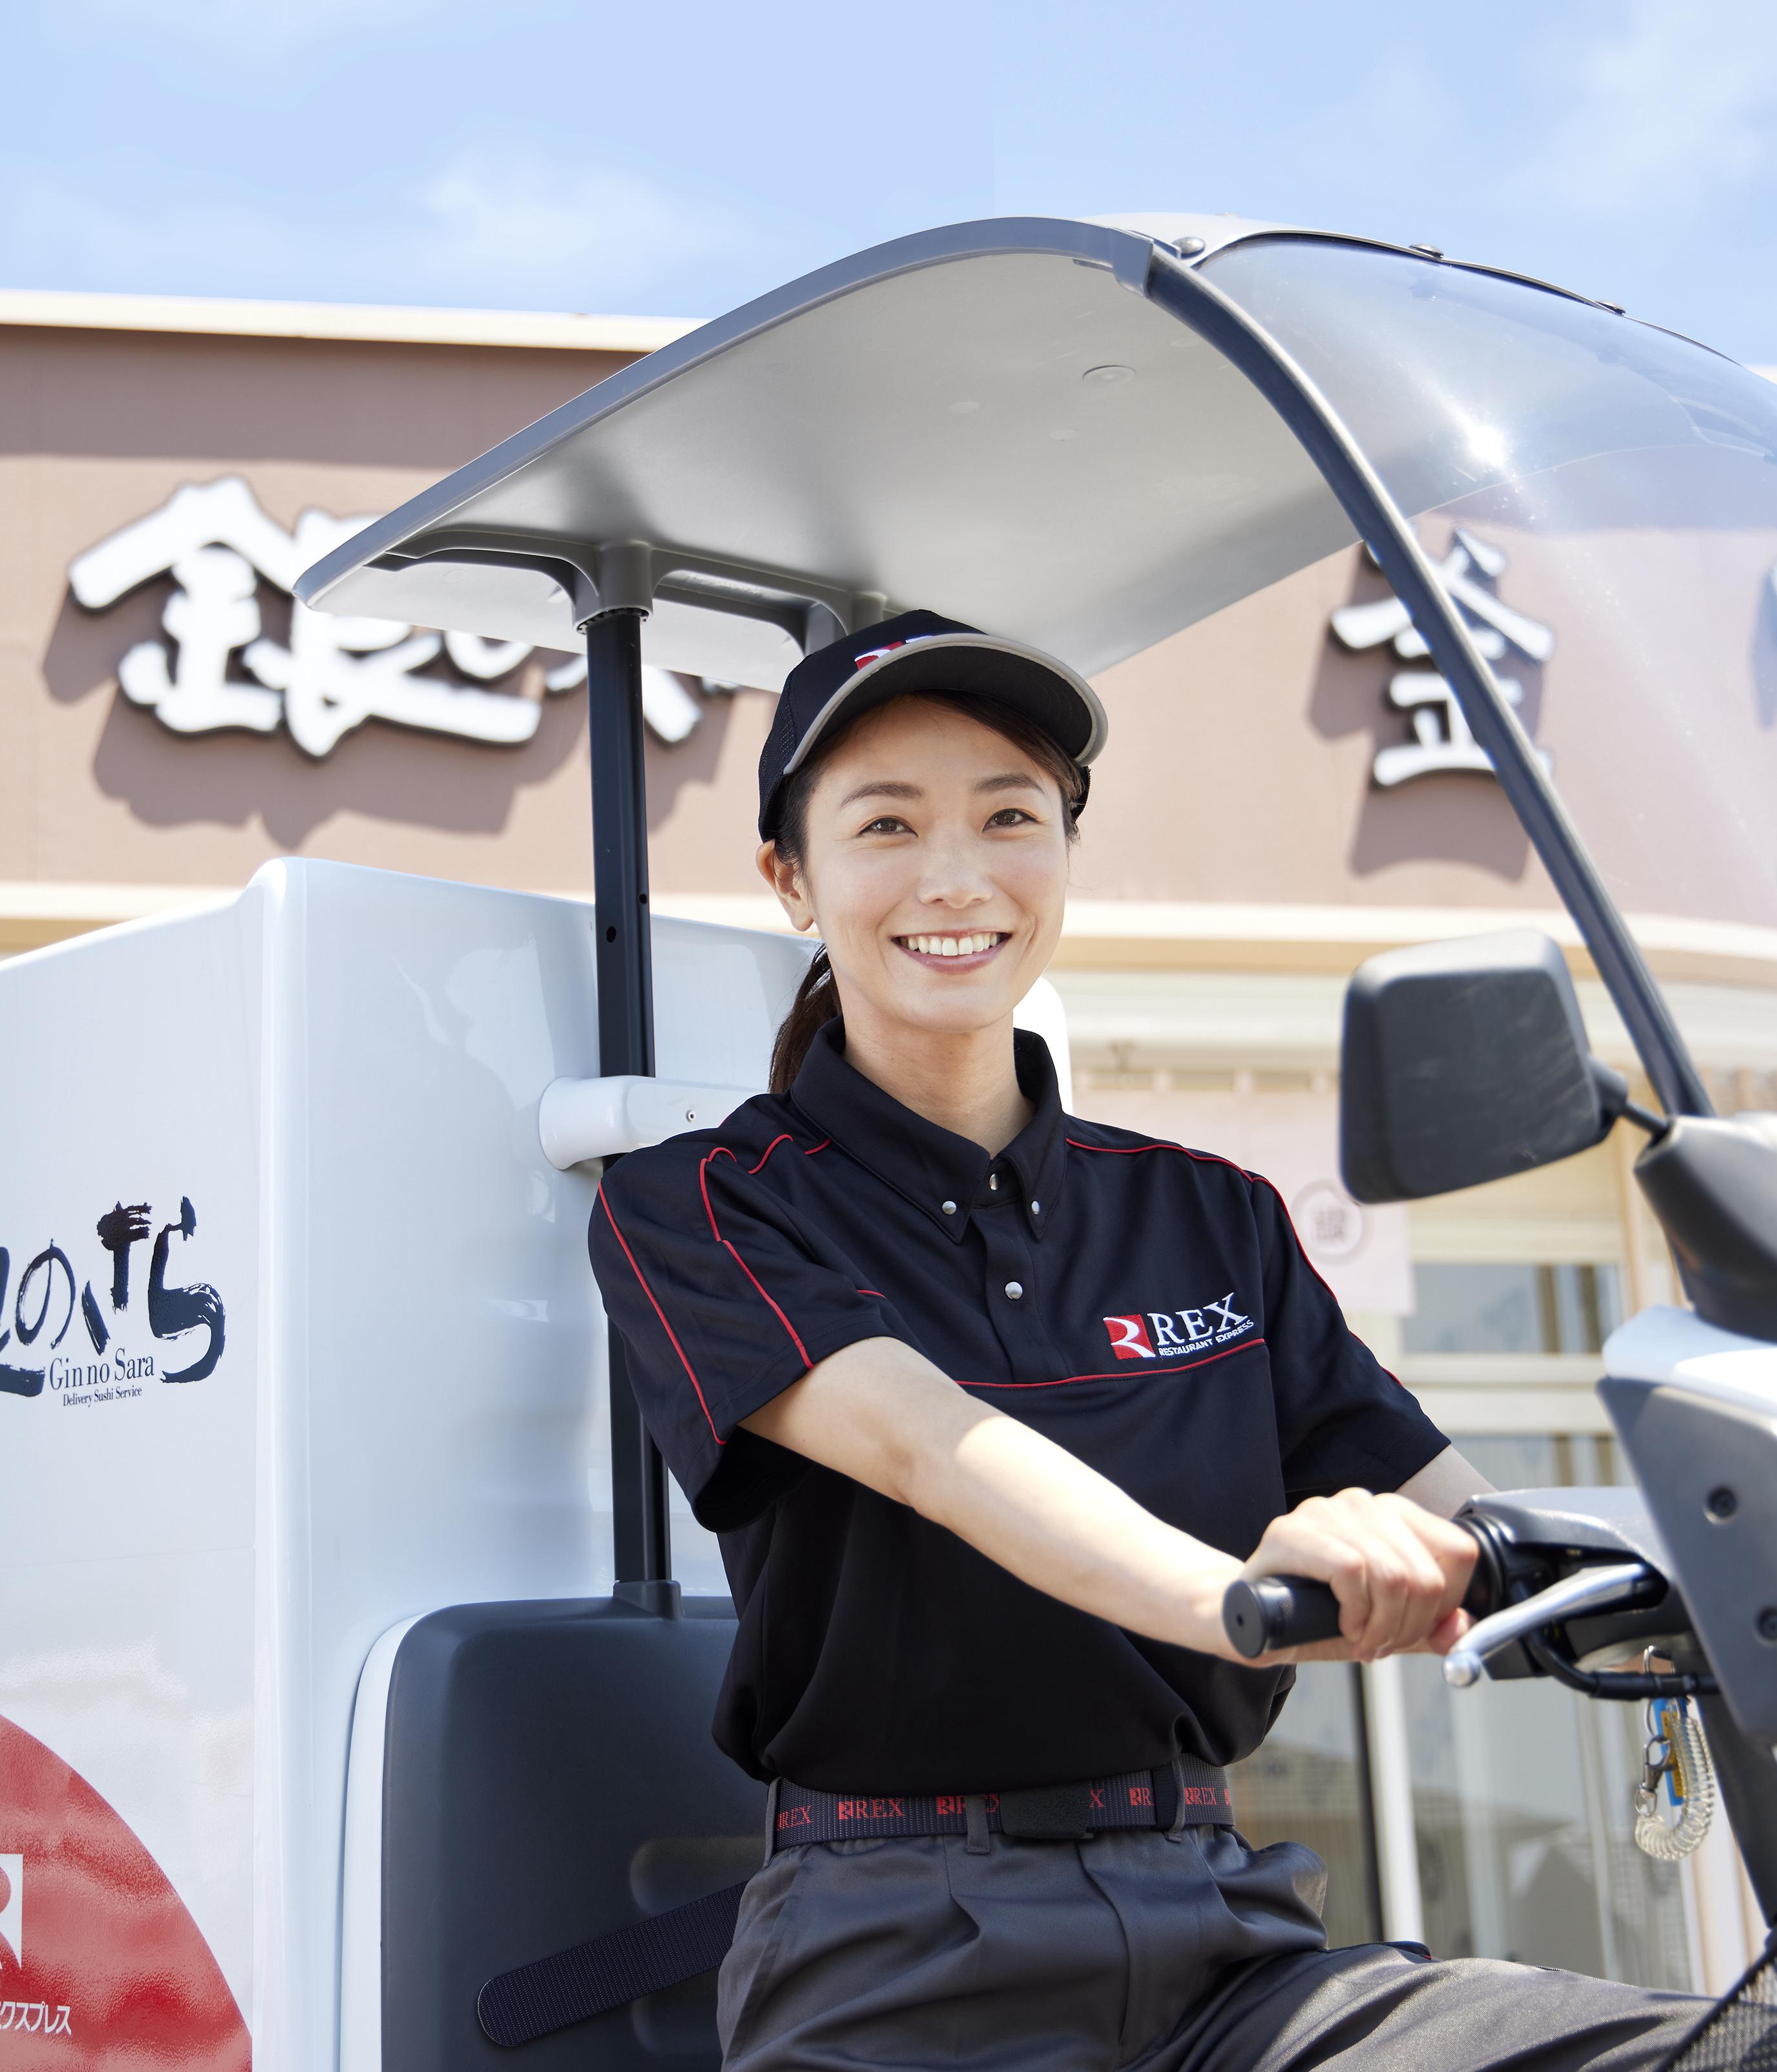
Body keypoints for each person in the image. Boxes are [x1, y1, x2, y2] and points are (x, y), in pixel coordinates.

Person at [587, 614, 1708, 2071]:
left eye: (1011, 816)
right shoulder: (704, 1202)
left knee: (1741, 2046)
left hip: (1224, 1936)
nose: (956, 875)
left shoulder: (1210, 1217)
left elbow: (1462, 1510)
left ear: (1064, 848)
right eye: (886, 824)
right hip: (896, 1960)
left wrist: (1693, 1576)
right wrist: (1252, 1594)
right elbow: (937, 1449)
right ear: (790, 878)